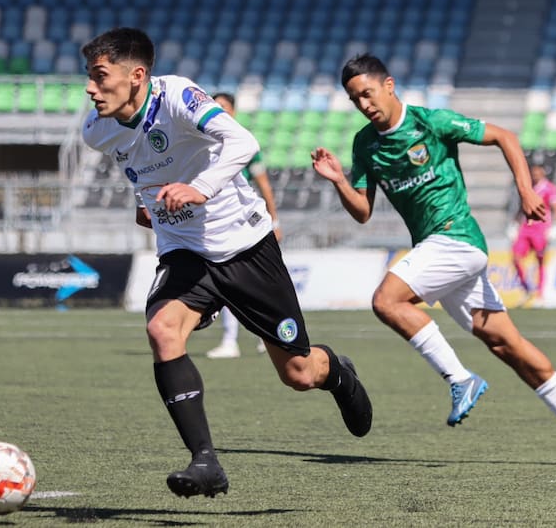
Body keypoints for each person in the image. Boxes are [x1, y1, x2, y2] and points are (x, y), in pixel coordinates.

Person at [81, 27, 372, 498]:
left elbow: (240, 141)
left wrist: (199, 188)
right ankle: (206, 463)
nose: (90, 89)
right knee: (162, 330)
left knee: (298, 374)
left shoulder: (175, 95)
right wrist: (151, 203)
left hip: (244, 247)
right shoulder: (96, 130)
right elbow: (142, 169)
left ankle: (338, 373)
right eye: (88, 78)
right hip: (184, 250)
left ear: (137, 76)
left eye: (99, 76)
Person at [311, 53, 556, 466]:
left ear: (389, 85)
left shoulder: (431, 122)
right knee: (506, 344)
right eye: (355, 99)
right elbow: (362, 212)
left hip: (456, 238)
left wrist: (525, 190)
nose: (364, 104)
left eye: (368, 93)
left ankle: (460, 378)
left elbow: (505, 136)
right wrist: (340, 180)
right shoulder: (366, 145)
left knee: (386, 301)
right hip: (438, 252)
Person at [206, 92, 281, 359]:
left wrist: (275, 219)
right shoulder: (203, 144)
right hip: (220, 225)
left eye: (223, 107)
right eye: (213, 106)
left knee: (257, 281)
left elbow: (263, 185)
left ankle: (267, 333)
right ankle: (230, 340)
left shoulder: (242, 142)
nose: (217, 110)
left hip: (247, 221)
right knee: (228, 281)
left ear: (234, 112)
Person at [508, 163, 556, 305]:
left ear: (543, 173)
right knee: (516, 258)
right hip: (525, 228)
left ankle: (540, 295)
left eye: (537, 172)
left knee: (540, 260)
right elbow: (522, 207)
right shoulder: (528, 187)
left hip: (541, 229)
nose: (535, 175)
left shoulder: (550, 189)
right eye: (533, 173)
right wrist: (514, 224)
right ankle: (526, 289)